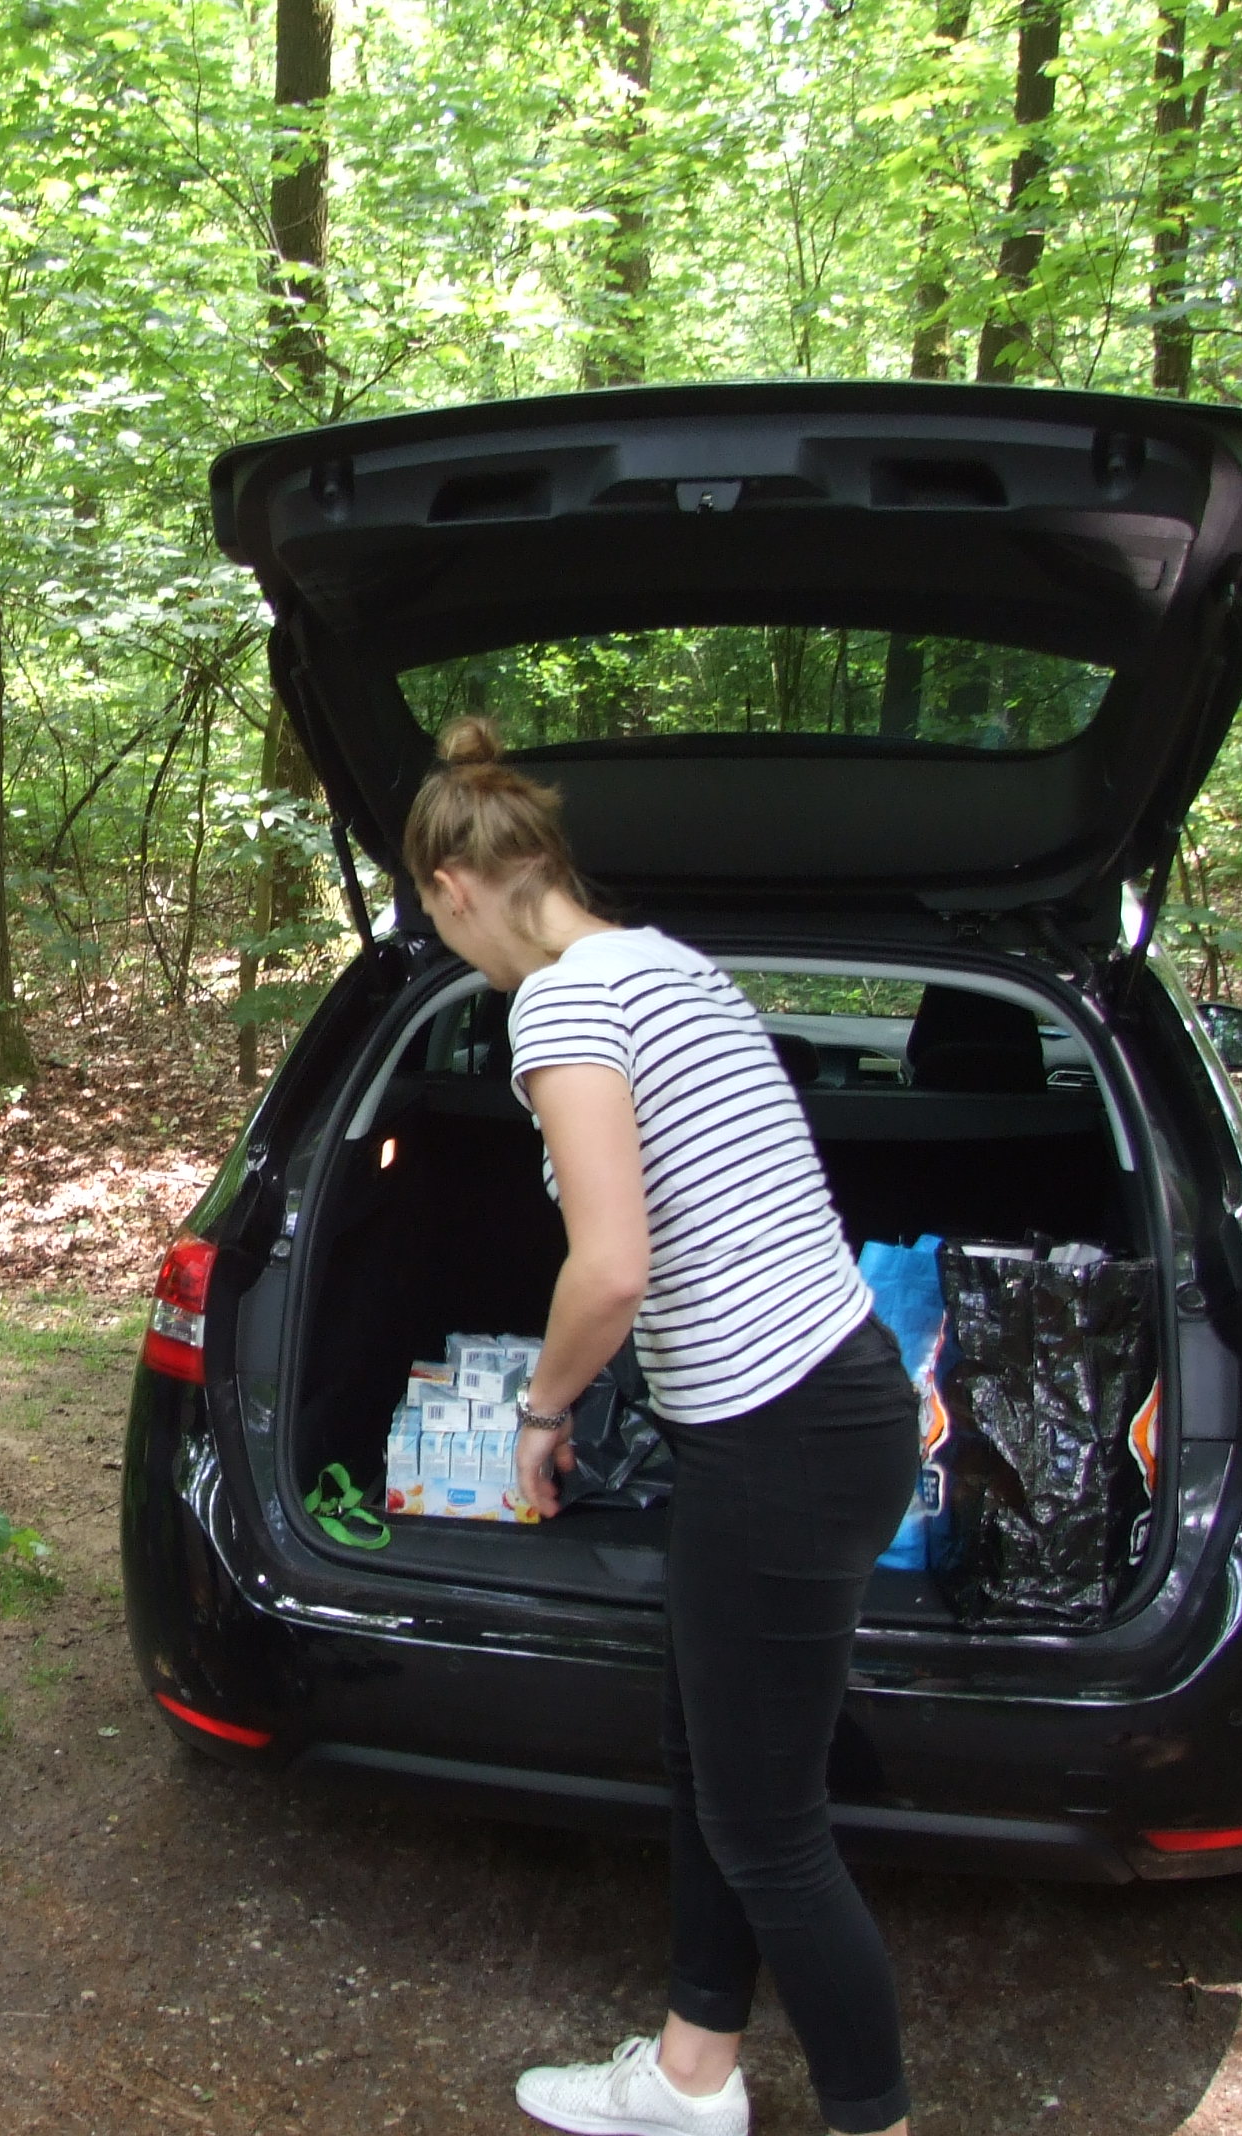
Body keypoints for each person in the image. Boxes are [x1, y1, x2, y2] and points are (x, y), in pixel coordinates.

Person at [405, 723, 917, 2136]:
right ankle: (693, 2077)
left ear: (455, 884)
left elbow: (612, 1267)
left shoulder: (560, 1005)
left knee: (772, 1833)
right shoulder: (669, 964)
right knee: (713, 1764)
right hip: (830, 1403)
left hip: (781, 1434)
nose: (455, 954)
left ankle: (875, 2115)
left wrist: (542, 1410)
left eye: (442, 926)